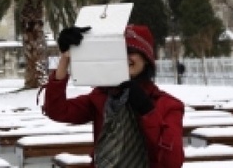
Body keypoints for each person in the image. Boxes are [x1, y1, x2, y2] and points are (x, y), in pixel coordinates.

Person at [41, 24, 184, 167]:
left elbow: (172, 161)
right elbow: (56, 110)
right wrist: (66, 56)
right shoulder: (103, 97)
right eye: (118, 52)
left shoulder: (168, 105)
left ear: (146, 58)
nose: (124, 57)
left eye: (130, 51)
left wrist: (147, 110)